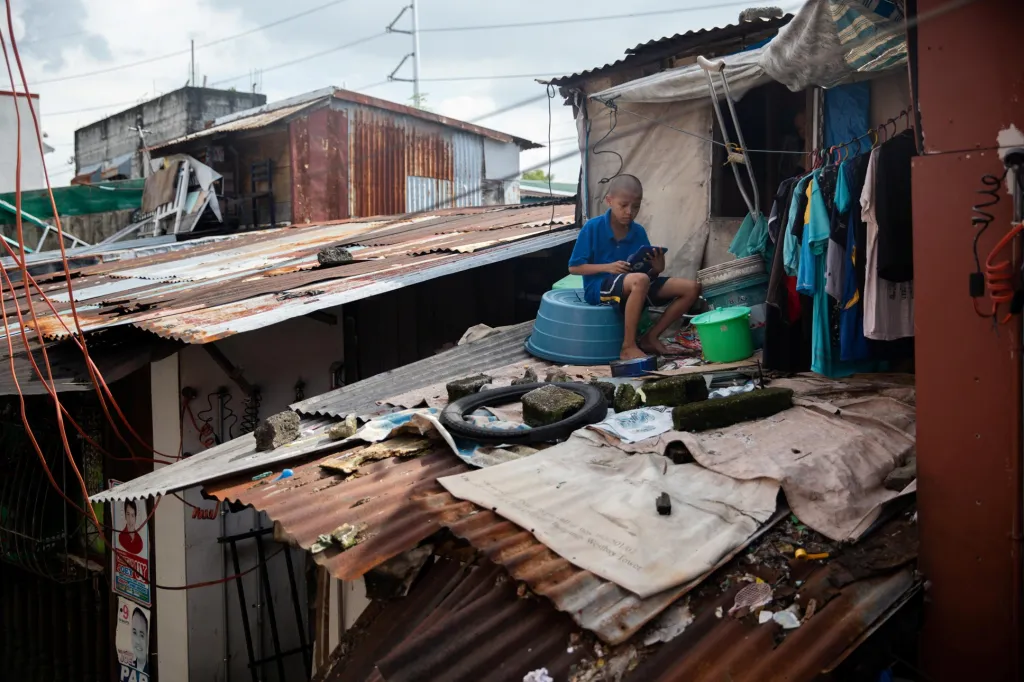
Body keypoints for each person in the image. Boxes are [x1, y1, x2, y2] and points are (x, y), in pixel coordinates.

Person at [568, 175, 701, 360]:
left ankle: (650, 338)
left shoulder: (638, 231)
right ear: (609, 201)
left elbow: (645, 273)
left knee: (691, 287)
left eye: (636, 206)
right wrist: (608, 267)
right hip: (599, 287)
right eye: (623, 205)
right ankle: (628, 346)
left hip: (636, 284)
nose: (629, 212)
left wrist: (657, 268)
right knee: (640, 280)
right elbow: (574, 268)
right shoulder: (593, 227)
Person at [131, 607, 150, 675]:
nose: (137, 641)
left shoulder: (152, 670)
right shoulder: (128, 670)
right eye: (134, 633)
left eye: (142, 635)